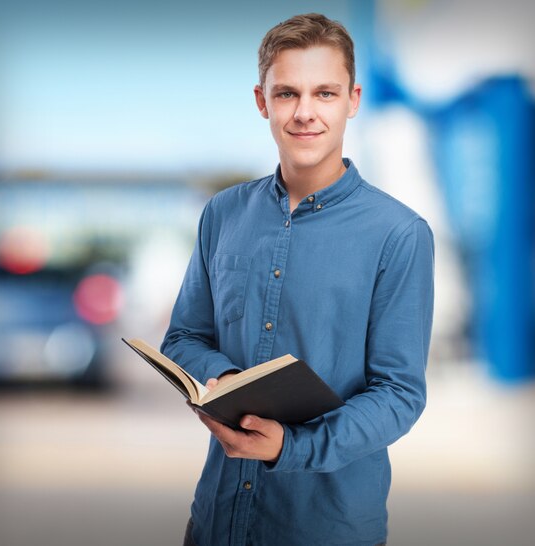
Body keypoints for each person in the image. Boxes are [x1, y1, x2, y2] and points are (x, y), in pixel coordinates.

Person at [161, 12, 434, 546]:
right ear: (262, 101)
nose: (305, 113)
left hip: (325, 529)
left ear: (352, 100)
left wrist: (290, 446)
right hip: (216, 521)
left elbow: (399, 394)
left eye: (325, 94)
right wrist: (230, 382)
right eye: (287, 94)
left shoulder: (399, 234)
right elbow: (185, 337)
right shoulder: (223, 213)